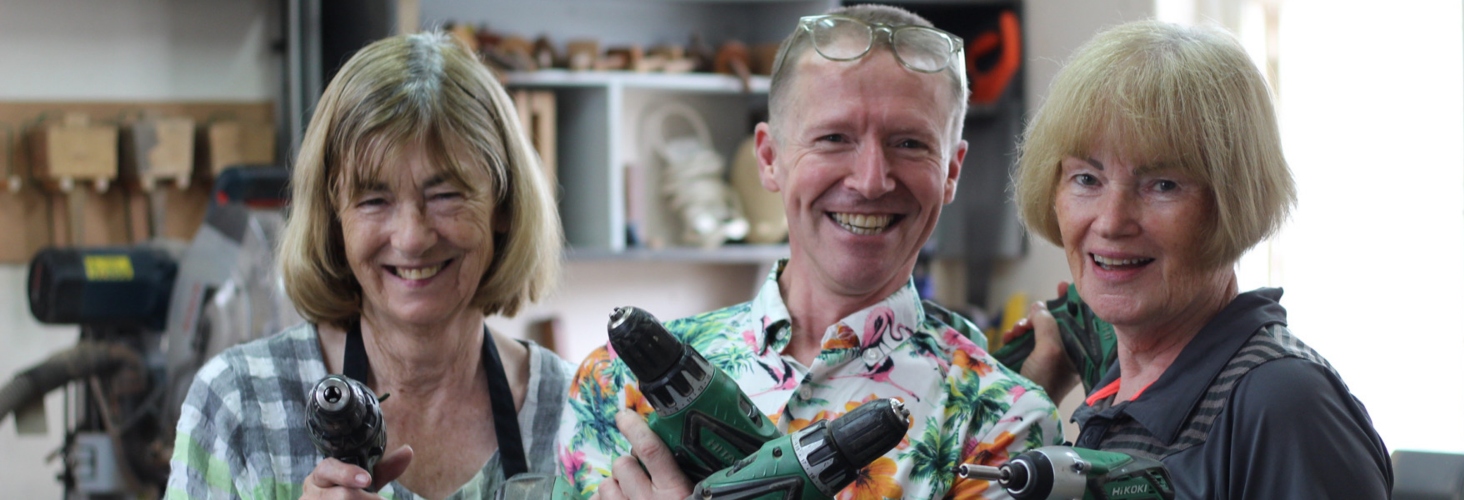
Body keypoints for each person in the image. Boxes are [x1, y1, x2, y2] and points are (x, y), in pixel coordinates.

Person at [553, 5, 1062, 499]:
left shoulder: (1001, 421)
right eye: (834, 137)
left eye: (909, 143)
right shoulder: (619, 381)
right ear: (770, 157)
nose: (870, 181)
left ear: (951, 170)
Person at [166, 32, 572, 499]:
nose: (412, 237)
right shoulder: (239, 405)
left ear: (502, 205)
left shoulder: (579, 412)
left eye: (445, 195)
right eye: (374, 200)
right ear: (333, 217)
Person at [1009, 20, 1393, 497]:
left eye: (1163, 185)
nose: (1111, 222)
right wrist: (1029, 391)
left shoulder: (1283, 404)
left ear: (1234, 200)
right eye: (1087, 178)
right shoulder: (1117, 394)